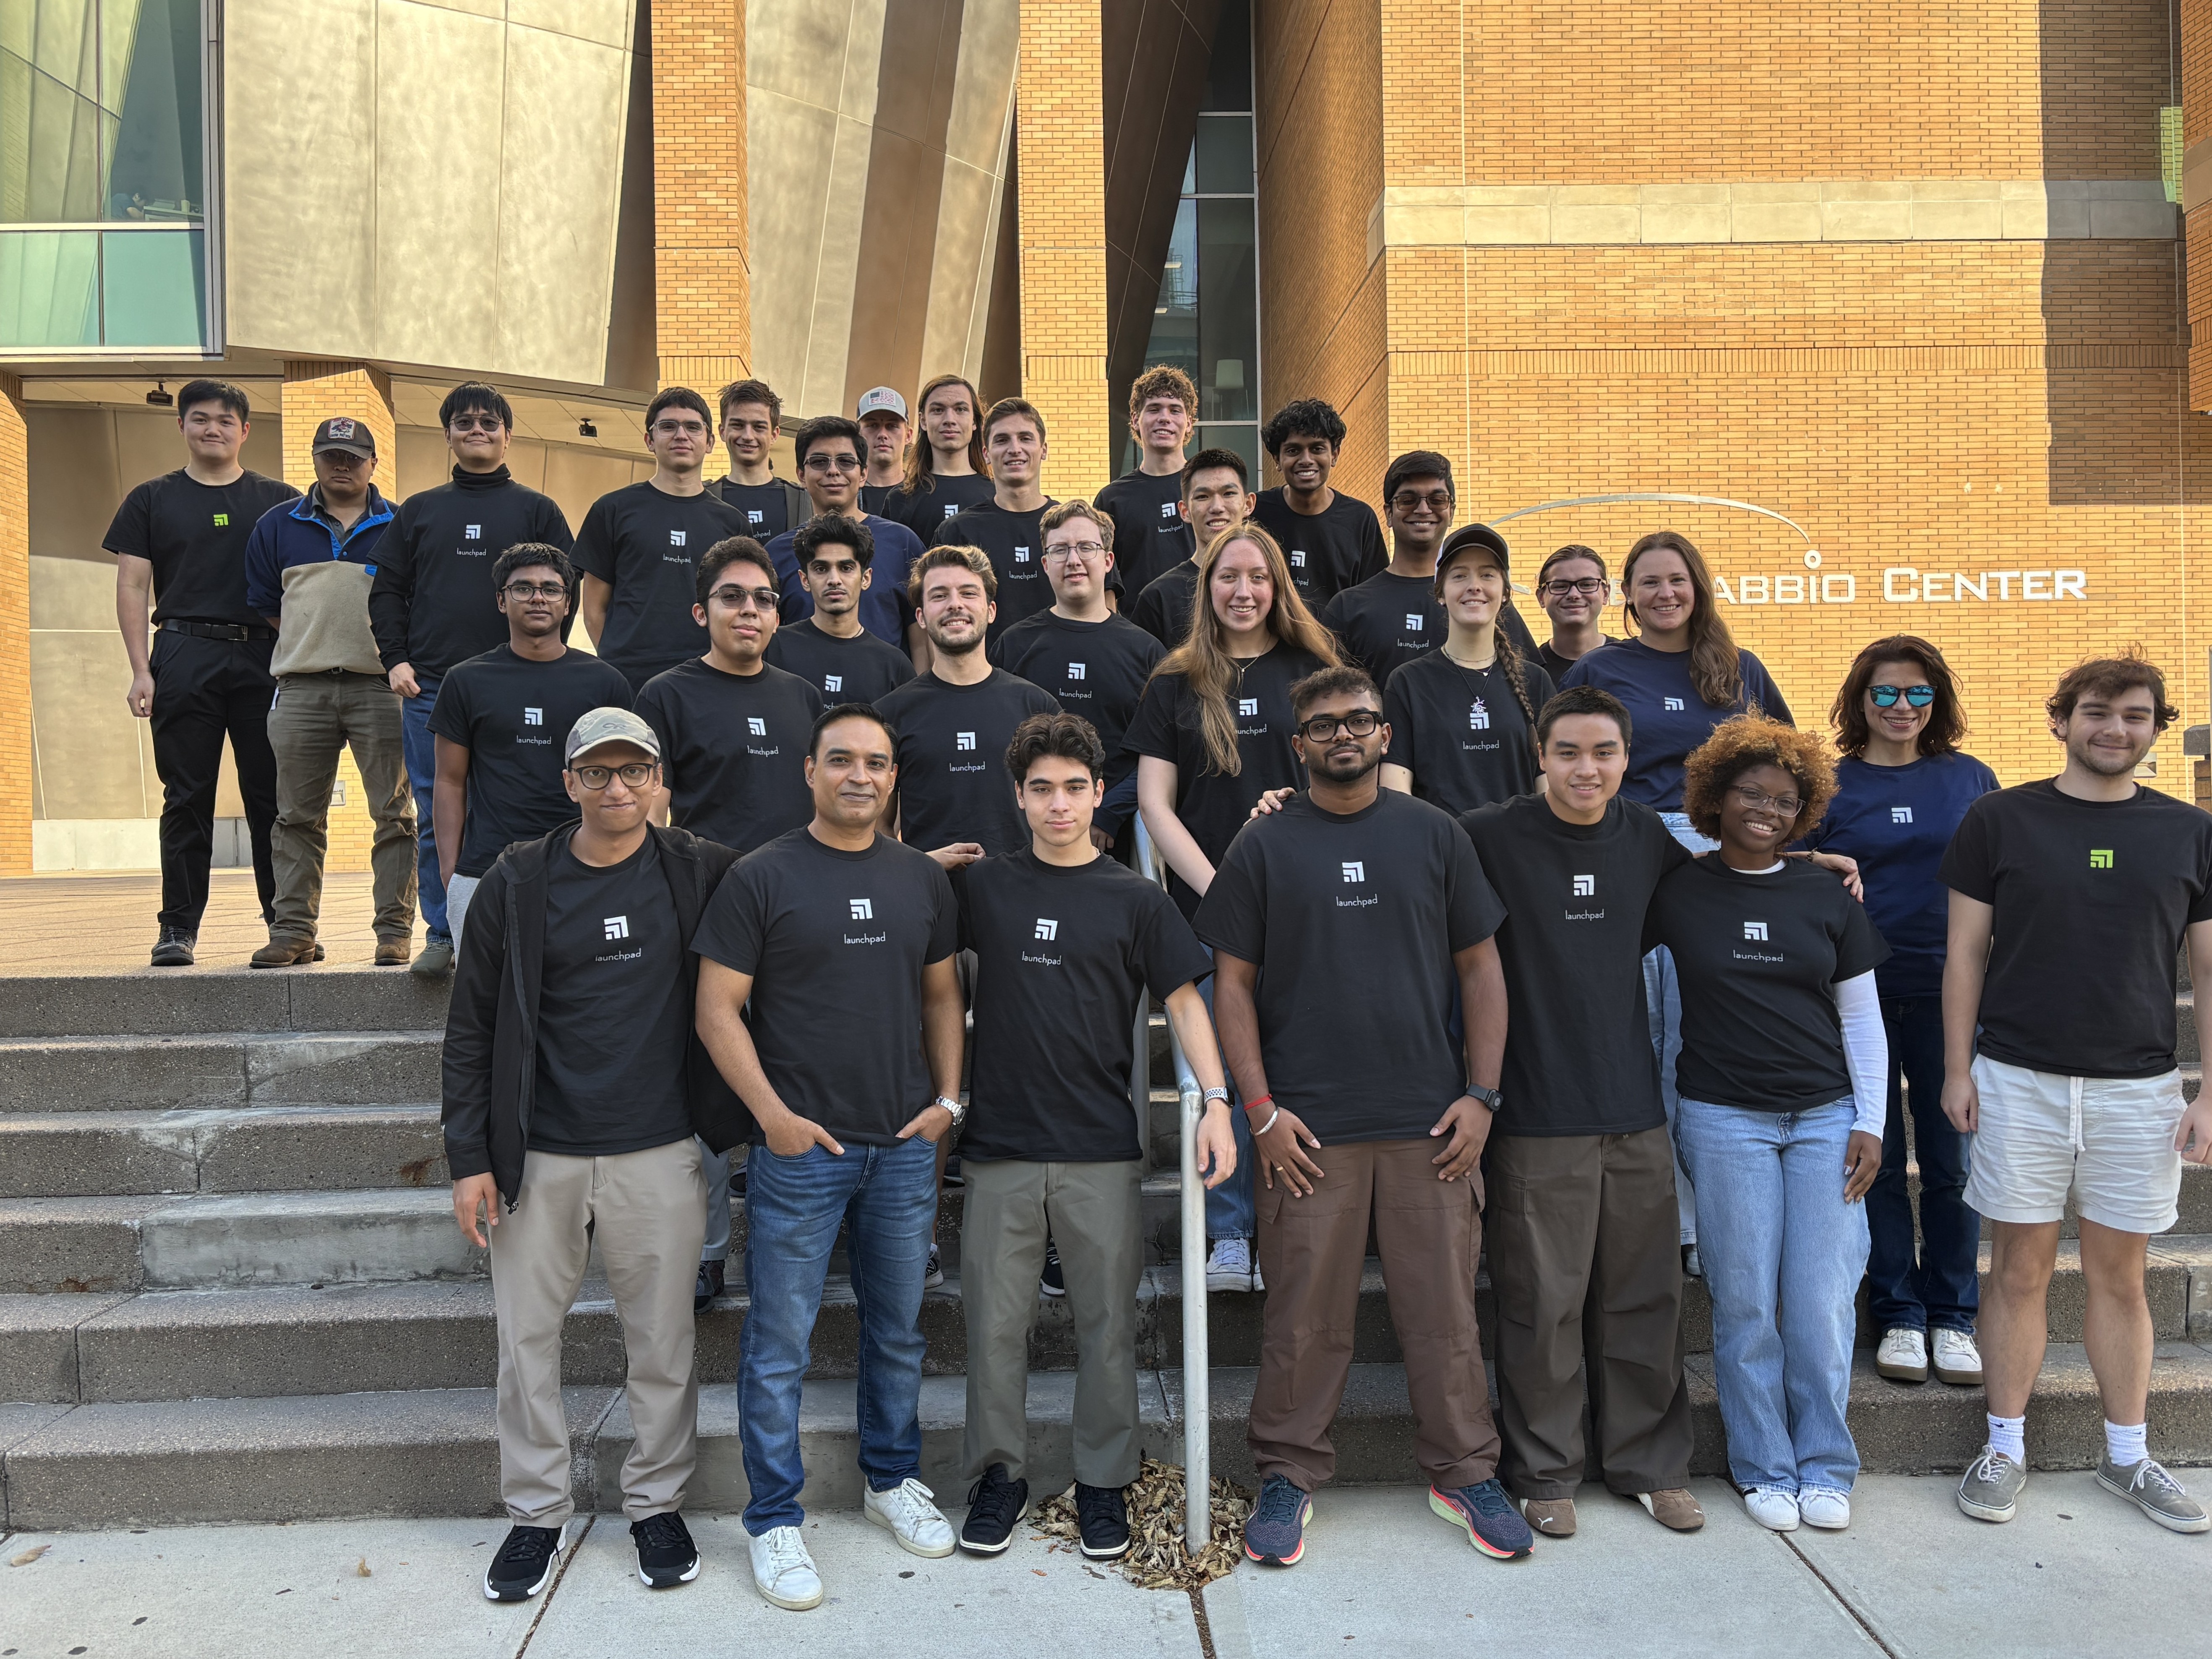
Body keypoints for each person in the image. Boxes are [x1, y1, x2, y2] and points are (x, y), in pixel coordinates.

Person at [1199, 665, 1533, 1568]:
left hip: (1431, 1123)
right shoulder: (1262, 847)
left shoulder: (1435, 835)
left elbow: (1481, 971)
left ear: (1385, 734)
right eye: (1323, 725)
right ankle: (1287, 1475)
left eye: (1359, 721)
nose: (1342, 735)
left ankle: (1464, 1471)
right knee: (1302, 1318)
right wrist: (1258, 1110)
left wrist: (1483, 1095)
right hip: (1306, 1131)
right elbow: (1230, 984)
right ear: (1296, 742)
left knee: (1444, 1315)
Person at [443, 707, 745, 1604]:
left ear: (657, 781)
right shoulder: (520, 881)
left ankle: (654, 1503)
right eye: (598, 772)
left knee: (663, 1341)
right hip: (538, 1156)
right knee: (525, 1343)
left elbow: (801, 887)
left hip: (658, 1151)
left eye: (635, 771)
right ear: (568, 781)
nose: (618, 788)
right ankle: (536, 1516)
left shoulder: (699, 869)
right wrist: (470, 1156)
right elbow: (472, 1027)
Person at [693, 703, 969, 1611]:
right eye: (841, 760)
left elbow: (940, 998)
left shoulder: (920, 881)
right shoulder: (759, 876)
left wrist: (947, 1102)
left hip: (898, 1149)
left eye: (877, 763)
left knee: (897, 1330)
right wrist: (769, 1116)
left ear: (894, 778)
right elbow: (716, 1009)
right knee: (778, 1345)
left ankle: (891, 1481)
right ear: (807, 770)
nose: (860, 775)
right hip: (801, 1151)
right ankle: (774, 1521)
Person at [952, 711, 1236, 1560]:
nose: (1058, 804)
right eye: (1040, 789)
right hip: (1000, 1144)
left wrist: (1215, 1100)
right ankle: (997, 1478)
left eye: (1074, 788)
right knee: (993, 1328)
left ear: (1093, 797)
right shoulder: (984, 889)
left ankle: (1104, 1482)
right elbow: (914, 936)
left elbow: (1186, 1000)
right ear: (1018, 798)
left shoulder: (1134, 898)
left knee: (1106, 1325)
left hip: (1099, 1148)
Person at [1946, 656, 2212, 1536]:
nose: (2114, 729)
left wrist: (2208, 1090)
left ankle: (2128, 1457)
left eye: (2134, 716)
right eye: (2094, 712)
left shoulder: (2188, 831)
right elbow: (1963, 956)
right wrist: (1956, 1069)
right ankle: (2003, 1445)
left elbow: (2206, 969)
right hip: (2017, 1078)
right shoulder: (1998, 819)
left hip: (2137, 1087)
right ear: (2058, 720)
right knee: (2017, 1269)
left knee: (2119, 1278)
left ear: (2154, 728)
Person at [1460, 686, 1703, 1539]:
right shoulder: (1487, 835)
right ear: (1539, 756)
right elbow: (1399, 856)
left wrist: (1813, 865)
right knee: (1542, 1305)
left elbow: (1731, 886)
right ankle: (1546, 1472)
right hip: (1532, 1112)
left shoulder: (1646, 838)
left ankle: (1649, 1464)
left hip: (1633, 1110)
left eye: (1602, 752)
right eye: (1567, 752)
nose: (1584, 769)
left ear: (1625, 760)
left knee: (1645, 1298)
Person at [1648, 715, 1888, 1534]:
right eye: (1749, 793)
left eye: (1783, 800)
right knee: (1744, 1301)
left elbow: (1860, 1016)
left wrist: (1873, 1122)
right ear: (1714, 799)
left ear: (1802, 809)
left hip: (1825, 1119)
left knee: (1818, 1302)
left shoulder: (1825, 892)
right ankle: (1762, 1467)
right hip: (1721, 1120)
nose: (1765, 809)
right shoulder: (1677, 888)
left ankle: (1825, 1463)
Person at [1561, 530, 1794, 1272]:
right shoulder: (1599, 667)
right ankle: (1674, 1218)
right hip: (1635, 853)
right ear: (1624, 595)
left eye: (1677, 579)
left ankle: (1715, 1209)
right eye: (1648, 582)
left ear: (1697, 586)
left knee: (1703, 1035)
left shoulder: (1740, 669)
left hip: (1725, 857)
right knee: (1649, 1032)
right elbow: (1578, 767)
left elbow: (1786, 766)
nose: (1664, 593)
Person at [1128, 523, 1338, 1293]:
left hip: (1308, 906)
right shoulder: (1175, 680)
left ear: (1277, 585)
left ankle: (1301, 1225)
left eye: (1258, 576)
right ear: (1206, 589)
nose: (1243, 590)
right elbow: (1154, 802)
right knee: (1219, 1077)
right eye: (1227, 577)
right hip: (1209, 911)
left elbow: (1348, 779)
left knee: (1298, 1067)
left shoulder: (1315, 669)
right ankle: (1227, 1230)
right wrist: (1220, 888)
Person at [1804, 638, 1997, 1390]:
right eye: (1884, 693)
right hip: (1857, 993)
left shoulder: (1969, 778)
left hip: (1952, 991)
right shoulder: (1828, 782)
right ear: (1859, 700)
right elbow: (1776, 859)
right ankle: (1896, 1312)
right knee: (1874, 1158)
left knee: (1951, 1161)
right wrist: (1815, 859)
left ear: (1937, 701)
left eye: (1916, 694)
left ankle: (1952, 1313)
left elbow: (2001, 877)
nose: (1900, 708)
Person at [634, 537, 822, 1309]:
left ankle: (807, 1239)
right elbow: (650, 806)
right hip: (706, 913)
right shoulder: (667, 694)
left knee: (796, 1075)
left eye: (764, 599)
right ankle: (709, 1249)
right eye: (734, 597)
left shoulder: (802, 694)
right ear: (700, 610)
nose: (750, 610)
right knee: (710, 1094)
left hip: (800, 913)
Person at [372, 381, 574, 978]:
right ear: (448, 436)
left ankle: (549, 921)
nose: (478, 430)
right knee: (439, 808)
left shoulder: (537, 510)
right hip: (433, 685)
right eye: (465, 423)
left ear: (508, 433)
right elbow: (387, 591)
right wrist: (395, 659)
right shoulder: (419, 510)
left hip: (523, 687)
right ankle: (445, 929)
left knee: (535, 804)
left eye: (490, 421)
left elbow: (567, 587)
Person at [107, 378, 297, 967]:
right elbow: (134, 585)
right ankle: (177, 928)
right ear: (183, 426)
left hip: (264, 657)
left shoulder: (281, 500)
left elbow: (304, 587)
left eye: (223, 419)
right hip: (184, 652)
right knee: (186, 796)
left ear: (245, 429)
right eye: (199, 419)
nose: (211, 428)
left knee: (273, 798)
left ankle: (286, 926)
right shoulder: (151, 499)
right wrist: (142, 670)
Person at [242, 417, 413, 968]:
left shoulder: (403, 525)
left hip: (381, 690)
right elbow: (269, 606)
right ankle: (292, 931)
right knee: (295, 816)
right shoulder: (276, 525)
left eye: (353, 456)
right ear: (316, 459)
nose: (342, 464)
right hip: (301, 690)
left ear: (373, 463)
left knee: (396, 815)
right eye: (332, 455)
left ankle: (394, 930)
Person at [429, 546, 634, 944]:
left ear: (568, 602)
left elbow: (625, 785)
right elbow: (449, 781)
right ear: (501, 601)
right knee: (487, 1001)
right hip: (486, 871)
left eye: (551, 589)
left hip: (583, 868)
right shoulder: (466, 681)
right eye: (523, 588)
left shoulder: (606, 683)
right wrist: (452, 872)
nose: (538, 597)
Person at [990, 501, 1163, 848]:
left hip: (1118, 838)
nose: (1073, 560)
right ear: (1044, 564)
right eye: (1059, 550)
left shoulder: (1146, 652)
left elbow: (1159, 754)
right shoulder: (1014, 645)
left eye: (1087, 547)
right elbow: (999, 742)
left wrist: (1107, 813)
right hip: (1027, 834)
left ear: (1108, 561)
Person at [878, 546, 1061, 864]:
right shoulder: (890, 714)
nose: (955, 604)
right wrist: (919, 870)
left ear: (991, 610)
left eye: (968, 593)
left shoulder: (1037, 706)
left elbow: (1063, 808)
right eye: (939, 596)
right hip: (930, 899)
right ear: (920, 617)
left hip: (1023, 893)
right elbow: (878, 824)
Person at [574, 388, 749, 691]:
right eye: (668, 426)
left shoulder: (732, 523)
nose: (681, 435)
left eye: (693, 427)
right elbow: (593, 608)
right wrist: (616, 661)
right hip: (627, 677)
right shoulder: (613, 510)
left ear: (709, 442)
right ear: (649, 440)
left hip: (707, 678)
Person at [1319, 450, 1536, 690]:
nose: (1423, 509)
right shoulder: (1348, 608)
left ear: (1451, 511)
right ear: (1389, 513)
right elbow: (1327, 699)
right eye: (1408, 500)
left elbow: (1527, 690)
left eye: (1437, 500)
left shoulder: (1482, 599)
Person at [1381, 525, 1555, 816]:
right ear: (1440, 593)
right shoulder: (1408, 683)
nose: (1474, 586)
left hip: (1520, 850)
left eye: (1487, 575)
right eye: (1459, 575)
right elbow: (1396, 791)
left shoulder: (1535, 681)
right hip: (1442, 852)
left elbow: (1549, 785)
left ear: (1505, 593)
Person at [934, 398, 1115, 642]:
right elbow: (939, 615)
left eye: (1025, 438)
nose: (1015, 449)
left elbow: (1107, 607)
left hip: (1068, 667)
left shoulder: (1078, 527)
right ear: (986, 454)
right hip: (990, 674)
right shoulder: (958, 531)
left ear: (1044, 450)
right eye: (1002, 440)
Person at [762, 415, 926, 655]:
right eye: (819, 462)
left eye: (846, 462)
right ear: (800, 474)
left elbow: (921, 634)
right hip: (802, 691)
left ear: (863, 474)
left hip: (887, 692)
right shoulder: (776, 554)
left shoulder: (903, 543)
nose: (833, 471)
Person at [762, 514, 918, 706]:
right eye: (821, 569)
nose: (834, 580)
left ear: (866, 578)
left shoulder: (894, 665)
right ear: (805, 580)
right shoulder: (773, 648)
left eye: (846, 568)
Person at [1247, 397, 1386, 611]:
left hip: (1336, 644)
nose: (1306, 460)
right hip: (1268, 644)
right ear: (1277, 460)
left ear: (1334, 455)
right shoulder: (1255, 513)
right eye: (1293, 451)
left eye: (1317, 449)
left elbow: (1373, 599)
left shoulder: (1360, 519)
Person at [1128, 449, 1253, 649]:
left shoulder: (1269, 587)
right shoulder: (1159, 598)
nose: (1217, 507)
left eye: (1228, 494)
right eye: (1203, 497)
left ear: (1248, 504)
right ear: (1185, 511)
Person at [1093, 365, 1198, 597]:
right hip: (1138, 629)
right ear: (1135, 420)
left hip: (1205, 627)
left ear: (1189, 422)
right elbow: (1104, 581)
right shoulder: (1112, 500)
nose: (1164, 418)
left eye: (1175, 410)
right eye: (1154, 409)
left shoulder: (1208, 488)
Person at [885, 373, 996, 541]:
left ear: (974, 421)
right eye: (938, 410)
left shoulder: (997, 495)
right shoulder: (900, 500)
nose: (950, 420)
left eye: (960, 409)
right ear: (923, 421)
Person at [704, 378, 810, 542]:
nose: (748, 436)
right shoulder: (702, 498)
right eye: (738, 425)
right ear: (723, 431)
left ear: (774, 435)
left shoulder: (805, 501)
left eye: (759, 427)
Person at [1532, 545, 1618, 683]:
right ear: (1541, 598)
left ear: (1606, 594)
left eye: (1587, 585)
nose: (1574, 595)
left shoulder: (1631, 663)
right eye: (1560, 586)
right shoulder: (1528, 673)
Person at [855, 386, 912, 517]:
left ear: (908, 436)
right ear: (858, 435)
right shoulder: (844, 493)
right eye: (873, 426)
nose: (882, 434)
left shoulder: (923, 494)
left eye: (892, 426)